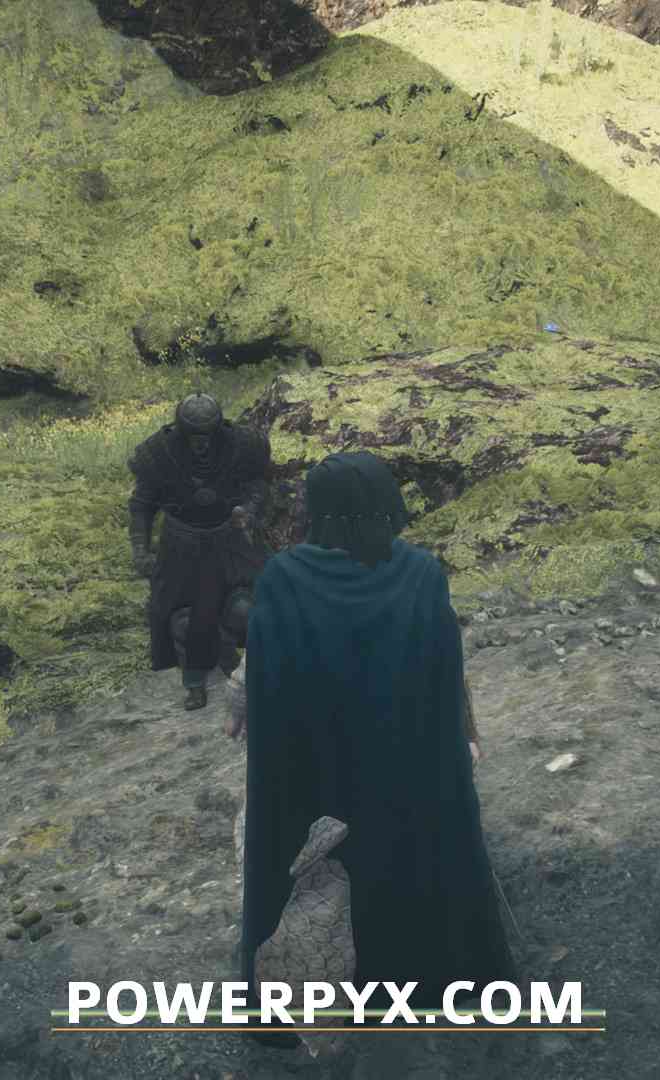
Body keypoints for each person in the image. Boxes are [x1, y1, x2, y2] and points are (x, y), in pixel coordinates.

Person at [232, 451, 516, 1043]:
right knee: (412, 862)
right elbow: (443, 676)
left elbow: (270, 685)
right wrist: (453, 746)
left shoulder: (285, 578)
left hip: (317, 769)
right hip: (410, 763)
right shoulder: (420, 572)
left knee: (327, 873)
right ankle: (433, 983)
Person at [127, 393, 271, 710]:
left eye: (207, 436)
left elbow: (258, 484)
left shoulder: (240, 445)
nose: (201, 445)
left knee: (244, 608)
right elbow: (142, 505)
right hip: (181, 543)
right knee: (182, 619)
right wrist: (140, 547)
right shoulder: (159, 452)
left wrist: (248, 510)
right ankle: (194, 681)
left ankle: (241, 665)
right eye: (194, 436)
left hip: (229, 538)